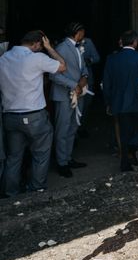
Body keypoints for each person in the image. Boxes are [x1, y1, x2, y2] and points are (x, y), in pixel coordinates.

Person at [0, 31, 66, 195]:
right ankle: (37, 190)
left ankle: (10, 194)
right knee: (41, 154)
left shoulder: (3, 59)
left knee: (13, 158)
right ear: (37, 43)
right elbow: (62, 66)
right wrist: (50, 48)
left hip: (10, 116)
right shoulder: (37, 58)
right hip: (34, 115)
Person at [102, 30, 138, 172]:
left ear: (122, 42)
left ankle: (125, 163)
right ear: (135, 42)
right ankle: (132, 146)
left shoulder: (112, 59)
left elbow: (107, 83)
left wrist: (108, 102)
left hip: (119, 103)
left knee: (124, 133)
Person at [50, 22, 89, 178]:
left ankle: (68, 157)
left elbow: (82, 66)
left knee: (73, 127)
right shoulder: (61, 49)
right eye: (83, 30)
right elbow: (54, 75)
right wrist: (73, 84)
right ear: (78, 32)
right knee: (62, 129)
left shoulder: (79, 46)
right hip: (63, 95)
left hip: (78, 93)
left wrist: (84, 77)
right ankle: (61, 163)